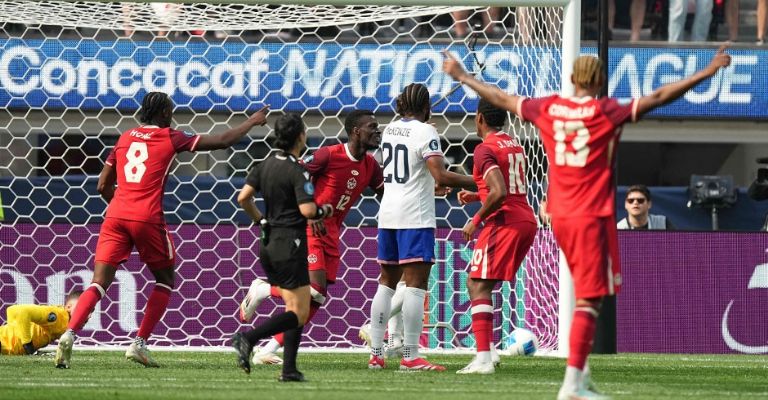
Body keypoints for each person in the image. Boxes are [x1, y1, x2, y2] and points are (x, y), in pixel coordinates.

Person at [443, 45, 731, 398]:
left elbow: (500, 98)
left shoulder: (548, 108)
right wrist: (708, 71)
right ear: (600, 82)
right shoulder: (605, 112)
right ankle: (573, 385)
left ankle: (578, 378)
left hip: (559, 213)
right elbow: (659, 96)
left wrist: (462, 76)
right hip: (590, 214)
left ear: (570, 78)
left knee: (583, 295)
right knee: (589, 299)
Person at [54, 92, 270, 369]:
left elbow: (101, 186)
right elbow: (223, 141)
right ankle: (139, 343)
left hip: (116, 215)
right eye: (171, 110)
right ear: (165, 114)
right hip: (146, 217)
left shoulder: (124, 138)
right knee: (165, 278)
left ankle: (69, 334)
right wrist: (252, 120)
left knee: (98, 282)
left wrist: (122, 205)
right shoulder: (171, 137)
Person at [238, 110, 384, 365]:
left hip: (332, 232)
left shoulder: (371, 166)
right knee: (314, 289)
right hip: (310, 227)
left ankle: (268, 349)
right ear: (355, 131)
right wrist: (310, 213)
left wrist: (428, 188)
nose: (378, 131)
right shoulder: (328, 154)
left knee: (317, 299)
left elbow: (388, 193)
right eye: (372, 127)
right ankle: (263, 289)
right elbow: (296, 176)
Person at [367, 83, 475, 371]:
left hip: (388, 214)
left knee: (386, 283)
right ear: (426, 107)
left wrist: (429, 185)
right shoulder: (427, 131)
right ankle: (411, 355)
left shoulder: (390, 129)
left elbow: (418, 173)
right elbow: (440, 174)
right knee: (416, 286)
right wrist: (480, 180)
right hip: (414, 217)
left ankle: (376, 354)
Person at [230, 114, 334, 382]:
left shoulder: (264, 165)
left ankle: (289, 369)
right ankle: (248, 338)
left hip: (268, 244)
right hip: (291, 244)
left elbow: (243, 198)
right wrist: (326, 209)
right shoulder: (298, 170)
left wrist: (261, 221)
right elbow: (308, 210)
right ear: (300, 136)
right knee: (298, 312)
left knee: (295, 306)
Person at [454, 99, 538, 375]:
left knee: (477, 285)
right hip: (525, 218)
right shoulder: (513, 143)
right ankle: (489, 353)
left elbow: (500, 192)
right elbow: (506, 187)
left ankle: (483, 360)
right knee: (481, 284)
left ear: (479, 118)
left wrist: (475, 219)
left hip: (504, 221)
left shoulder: (483, 149)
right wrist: (477, 194)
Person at [1, 291, 81, 356]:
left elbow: (11, 310)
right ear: (68, 307)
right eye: (82, 308)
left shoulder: (66, 323)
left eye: (90, 311)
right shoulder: (59, 316)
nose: (88, 315)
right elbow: (23, 312)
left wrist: (14, 330)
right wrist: (27, 344)